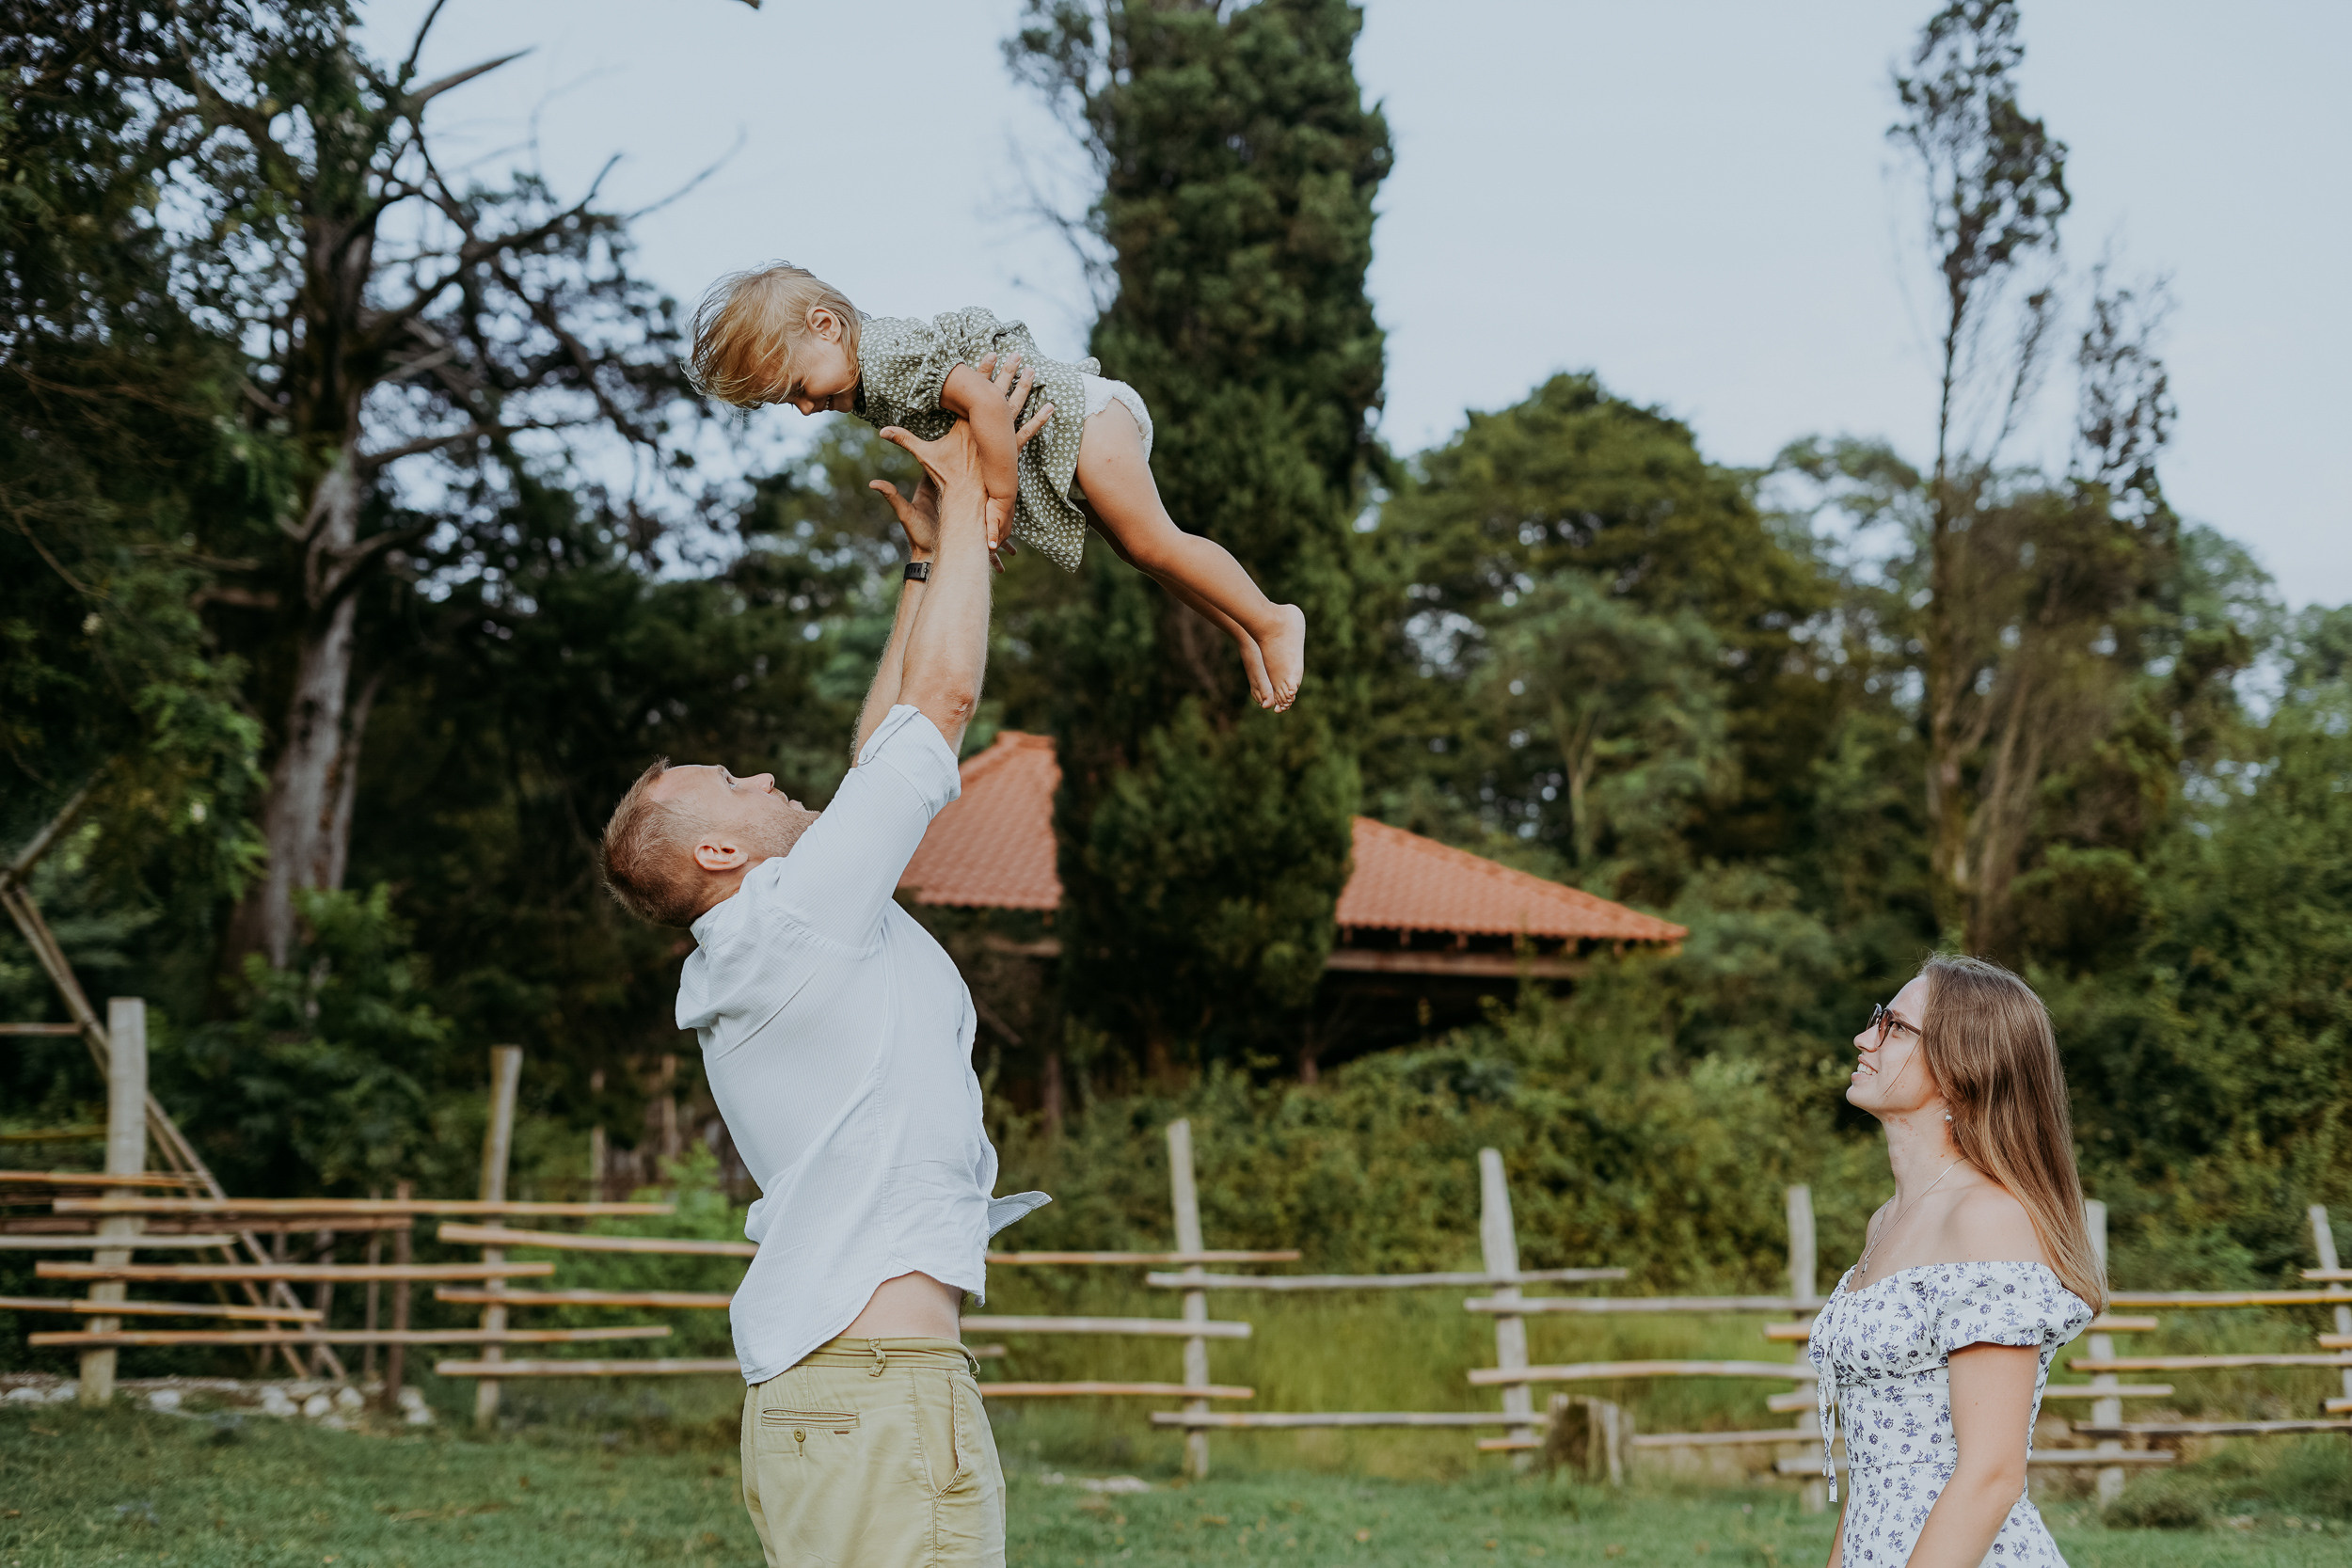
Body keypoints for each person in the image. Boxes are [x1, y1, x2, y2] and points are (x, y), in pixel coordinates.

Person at [597, 356, 1051, 1568]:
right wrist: (968, 514)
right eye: (731, 782)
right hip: (881, 1389)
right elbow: (941, 706)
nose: (759, 774)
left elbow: (881, 744)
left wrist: (921, 571)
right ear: (721, 845)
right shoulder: (796, 920)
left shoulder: (775, 931)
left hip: (827, 1397)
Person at [687, 261, 1310, 712]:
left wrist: (1002, 503)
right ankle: (1244, 633)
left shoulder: (883, 355)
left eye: (796, 387)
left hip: (1081, 418)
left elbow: (984, 401)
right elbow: (952, 432)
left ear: (824, 325)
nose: (802, 408)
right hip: (1068, 437)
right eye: (785, 403)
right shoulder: (868, 380)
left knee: (1155, 544)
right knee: (1143, 555)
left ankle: (1274, 618)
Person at [1809, 954, 2106, 1568]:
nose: (1865, 1038)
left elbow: (1992, 1475)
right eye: (1876, 1020)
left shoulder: (1987, 1218)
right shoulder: (1885, 1221)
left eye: (1895, 1027)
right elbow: (1873, 1471)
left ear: (1962, 1067)